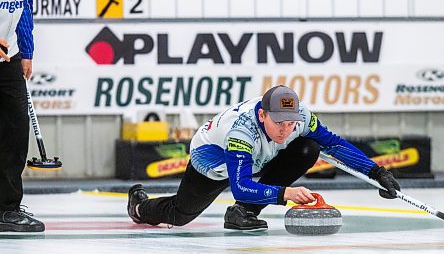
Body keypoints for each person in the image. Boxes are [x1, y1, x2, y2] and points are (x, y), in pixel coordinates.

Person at [127, 85, 400, 230]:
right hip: (215, 160)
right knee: (181, 214)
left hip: (260, 154)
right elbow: (240, 185)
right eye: (278, 122)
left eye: (290, 123)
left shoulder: (302, 117)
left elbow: (335, 145)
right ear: (262, 115)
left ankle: (242, 212)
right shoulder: (241, 132)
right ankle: (139, 208)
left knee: (309, 148)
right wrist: (285, 194)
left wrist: (376, 172)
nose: (285, 130)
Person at [0, 0, 44, 232]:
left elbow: (24, 4)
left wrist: (26, 51)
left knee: (15, 130)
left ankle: (7, 208)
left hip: (9, 55)